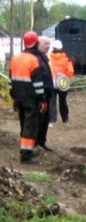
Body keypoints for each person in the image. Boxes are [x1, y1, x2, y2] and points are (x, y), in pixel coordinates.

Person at [9, 31, 45, 164]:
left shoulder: (15, 59)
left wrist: (14, 97)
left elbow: (11, 81)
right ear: (35, 43)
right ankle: (25, 155)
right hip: (30, 99)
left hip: (19, 97)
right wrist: (42, 99)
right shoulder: (33, 60)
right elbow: (38, 84)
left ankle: (25, 151)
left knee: (23, 124)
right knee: (30, 125)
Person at [33, 36, 55, 152]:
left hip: (45, 94)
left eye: (49, 44)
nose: (48, 46)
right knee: (38, 120)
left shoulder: (44, 58)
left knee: (45, 120)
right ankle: (36, 143)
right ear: (38, 44)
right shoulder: (36, 58)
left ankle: (42, 142)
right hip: (38, 95)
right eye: (45, 43)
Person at [49, 39, 75, 124]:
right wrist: (65, 76)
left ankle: (52, 120)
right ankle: (65, 119)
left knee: (52, 101)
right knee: (63, 101)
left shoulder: (49, 58)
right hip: (62, 83)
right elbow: (70, 71)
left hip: (51, 82)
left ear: (53, 48)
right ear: (61, 48)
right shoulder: (66, 59)